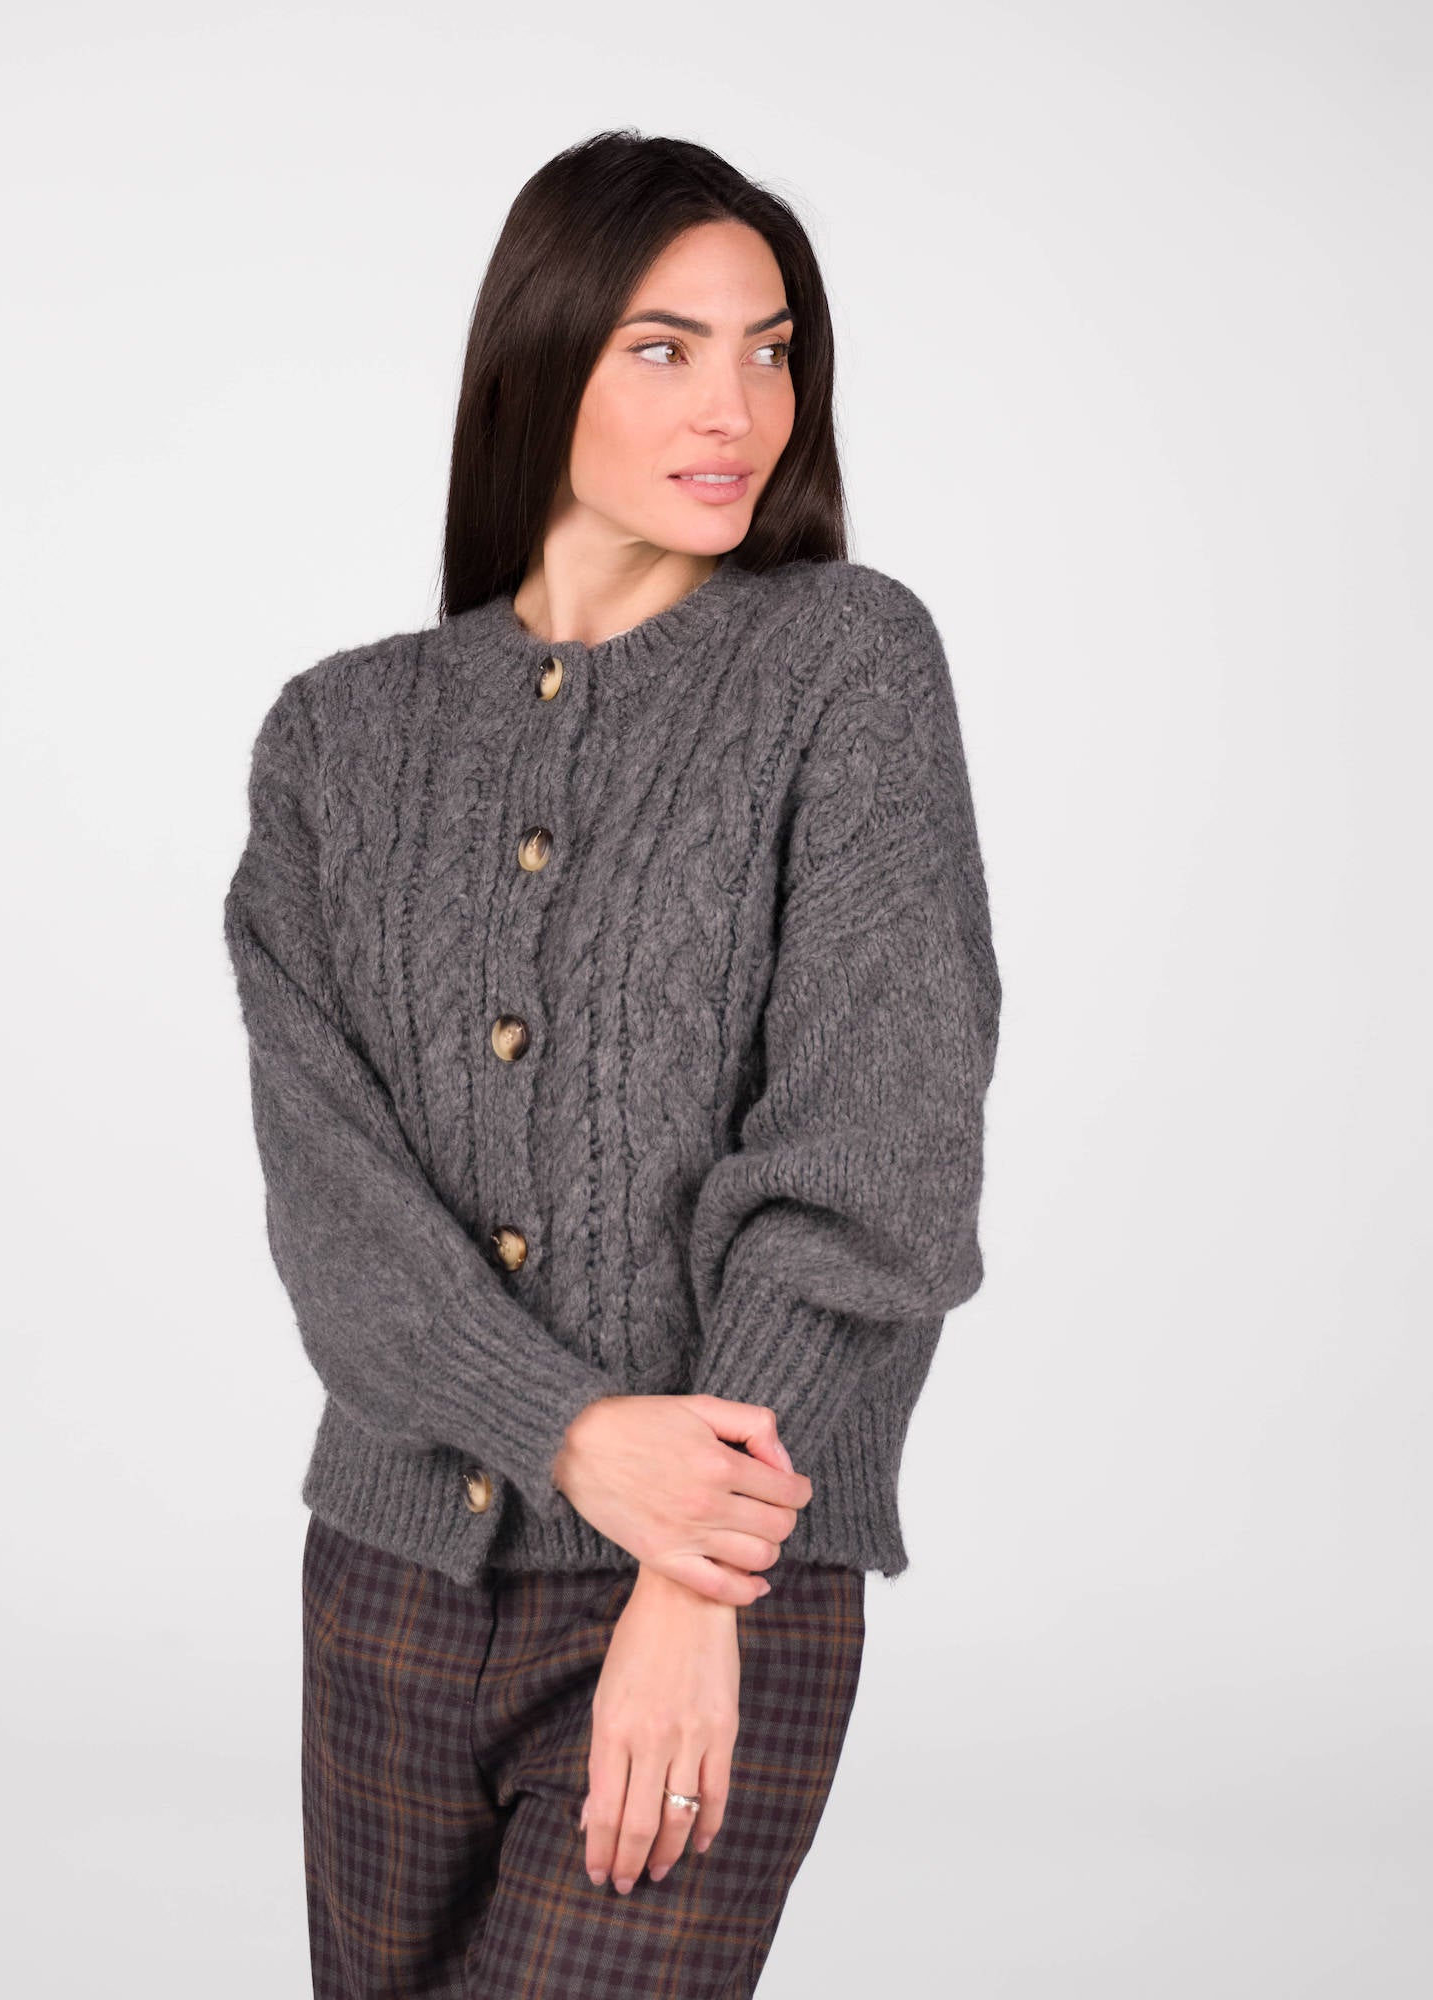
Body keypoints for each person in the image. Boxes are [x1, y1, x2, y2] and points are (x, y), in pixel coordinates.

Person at [222, 127, 1001, 1996]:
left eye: (772, 349)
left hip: (718, 1594)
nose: (738, 407)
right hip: (389, 1587)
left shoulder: (846, 665)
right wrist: (571, 1436)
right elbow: (335, 1204)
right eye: (666, 347)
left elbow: (875, 1167)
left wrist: (690, 1574)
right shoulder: (337, 738)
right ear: (540, 360)